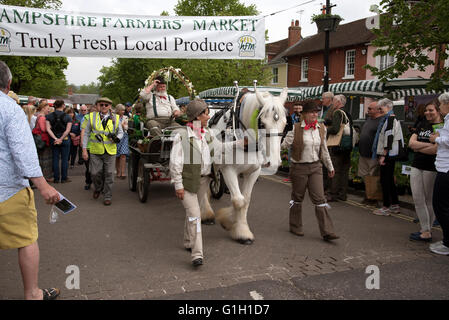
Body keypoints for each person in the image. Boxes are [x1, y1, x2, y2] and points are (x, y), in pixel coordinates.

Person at [0, 60, 61, 300]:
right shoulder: (9, 108)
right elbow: (22, 152)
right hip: (8, 190)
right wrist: (43, 186)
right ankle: (33, 293)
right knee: (26, 239)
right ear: (9, 82)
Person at [170, 99, 245, 267]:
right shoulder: (181, 136)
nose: (208, 115)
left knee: (192, 213)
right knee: (195, 215)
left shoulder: (208, 133)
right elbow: (175, 163)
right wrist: (178, 185)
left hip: (203, 181)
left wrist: (240, 143)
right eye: (205, 113)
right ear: (197, 116)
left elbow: (220, 148)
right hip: (187, 183)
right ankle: (197, 254)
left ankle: (188, 241)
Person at [281, 100, 338, 241]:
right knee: (297, 198)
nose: (315, 114)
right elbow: (283, 146)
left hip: (316, 167)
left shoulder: (321, 128)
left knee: (320, 199)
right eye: (312, 112)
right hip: (298, 167)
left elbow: (324, 149)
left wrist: (330, 166)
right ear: (304, 114)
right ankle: (295, 226)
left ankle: (327, 231)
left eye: (317, 112)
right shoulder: (295, 129)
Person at [408, 100, 443, 241]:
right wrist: (427, 145)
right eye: (426, 110)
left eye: (431, 110)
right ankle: (425, 229)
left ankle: (426, 231)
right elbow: (411, 143)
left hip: (431, 167)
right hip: (416, 165)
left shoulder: (441, 127)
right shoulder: (422, 124)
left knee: (428, 199)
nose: (427, 113)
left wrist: (419, 147)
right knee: (417, 198)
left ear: (438, 111)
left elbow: (436, 149)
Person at [82, 97, 123, 206]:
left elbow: (120, 132)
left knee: (109, 173)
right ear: (97, 106)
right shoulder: (91, 117)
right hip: (95, 150)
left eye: (106, 105)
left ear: (110, 106)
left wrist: (117, 138)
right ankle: (98, 188)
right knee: (95, 173)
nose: (104, 107)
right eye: (101, 105)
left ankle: (107, 196)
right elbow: (86, 134)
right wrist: (84, 149)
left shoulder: (116, 118)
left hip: (110, 151)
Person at [373, 98, 404, 216]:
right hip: (391, 154)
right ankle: (395, 205)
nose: (379, 110)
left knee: (385, 180)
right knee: (389, 180)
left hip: (388, 155)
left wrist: (383, 155)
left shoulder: (390, 119)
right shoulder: (392, 118)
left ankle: (386, 206)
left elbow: (389, 137)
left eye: (380, 108)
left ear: (387, 106)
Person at [428, 93, 449, 255]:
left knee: (440, 205)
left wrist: (436, 139)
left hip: (446, 169)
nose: (439, 108)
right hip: (443, 167)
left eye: (440, 105)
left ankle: (448, 243)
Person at [325, 94, 352, 201]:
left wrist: (325, 129)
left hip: (338, 146)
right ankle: (343, 194)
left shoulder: (337, 112)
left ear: (338, 103)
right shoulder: (347, 113)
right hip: (347, 146)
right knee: (344, 171)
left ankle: (333, 194)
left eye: (334, 101)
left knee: (335, 170)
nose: (333, 103)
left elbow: (336, 129)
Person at [358, 100, 383, 205]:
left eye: (370, 109)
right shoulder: (369, 119)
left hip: (372, 154)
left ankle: (373, 198)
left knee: (373, 177)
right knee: (365, 176)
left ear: (378, 110)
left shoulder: (381, 121)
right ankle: (368, 196)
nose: (367, 110)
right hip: (363, 153)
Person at [46, 100, 72, 184]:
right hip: (65, 139)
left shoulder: (49, 116)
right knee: (64, 159)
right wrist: (61, 138)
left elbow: (48, 129)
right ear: (63, 105)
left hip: (54, 139)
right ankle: (64, 178)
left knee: (55, 158)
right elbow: (68, 130)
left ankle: (56, 178)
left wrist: (55, 138)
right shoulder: (68, 117)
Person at [282, 103, 303, 183]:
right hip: (291, 140)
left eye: (299, 108)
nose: (297, 110)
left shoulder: (303, 118)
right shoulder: (291, 117)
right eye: (296, 108)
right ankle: (290, 177)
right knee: (291, 159)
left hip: (300, 141)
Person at [33, 101, 52, 181]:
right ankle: (45, 177)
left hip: (40, 140)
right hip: (43, 140)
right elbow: (44, 129)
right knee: (45, 159)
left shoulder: (39, 116)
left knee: (42, 158)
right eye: (47, 109)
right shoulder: (42, 117)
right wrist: (50, 127)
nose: (48, 110)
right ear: (43, 108)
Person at [115, 104, 129, 179]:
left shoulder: (125, 117)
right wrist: (122, 125)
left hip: (124, 137)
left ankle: (123, 173)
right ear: (118, 110)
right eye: (121, 110)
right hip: (116, 137)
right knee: (117, 156)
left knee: (123, 155)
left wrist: (122, 125)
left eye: (124, 110)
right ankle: (118, 172)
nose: (123, 111)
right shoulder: (113, 118)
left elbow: (126, 128)